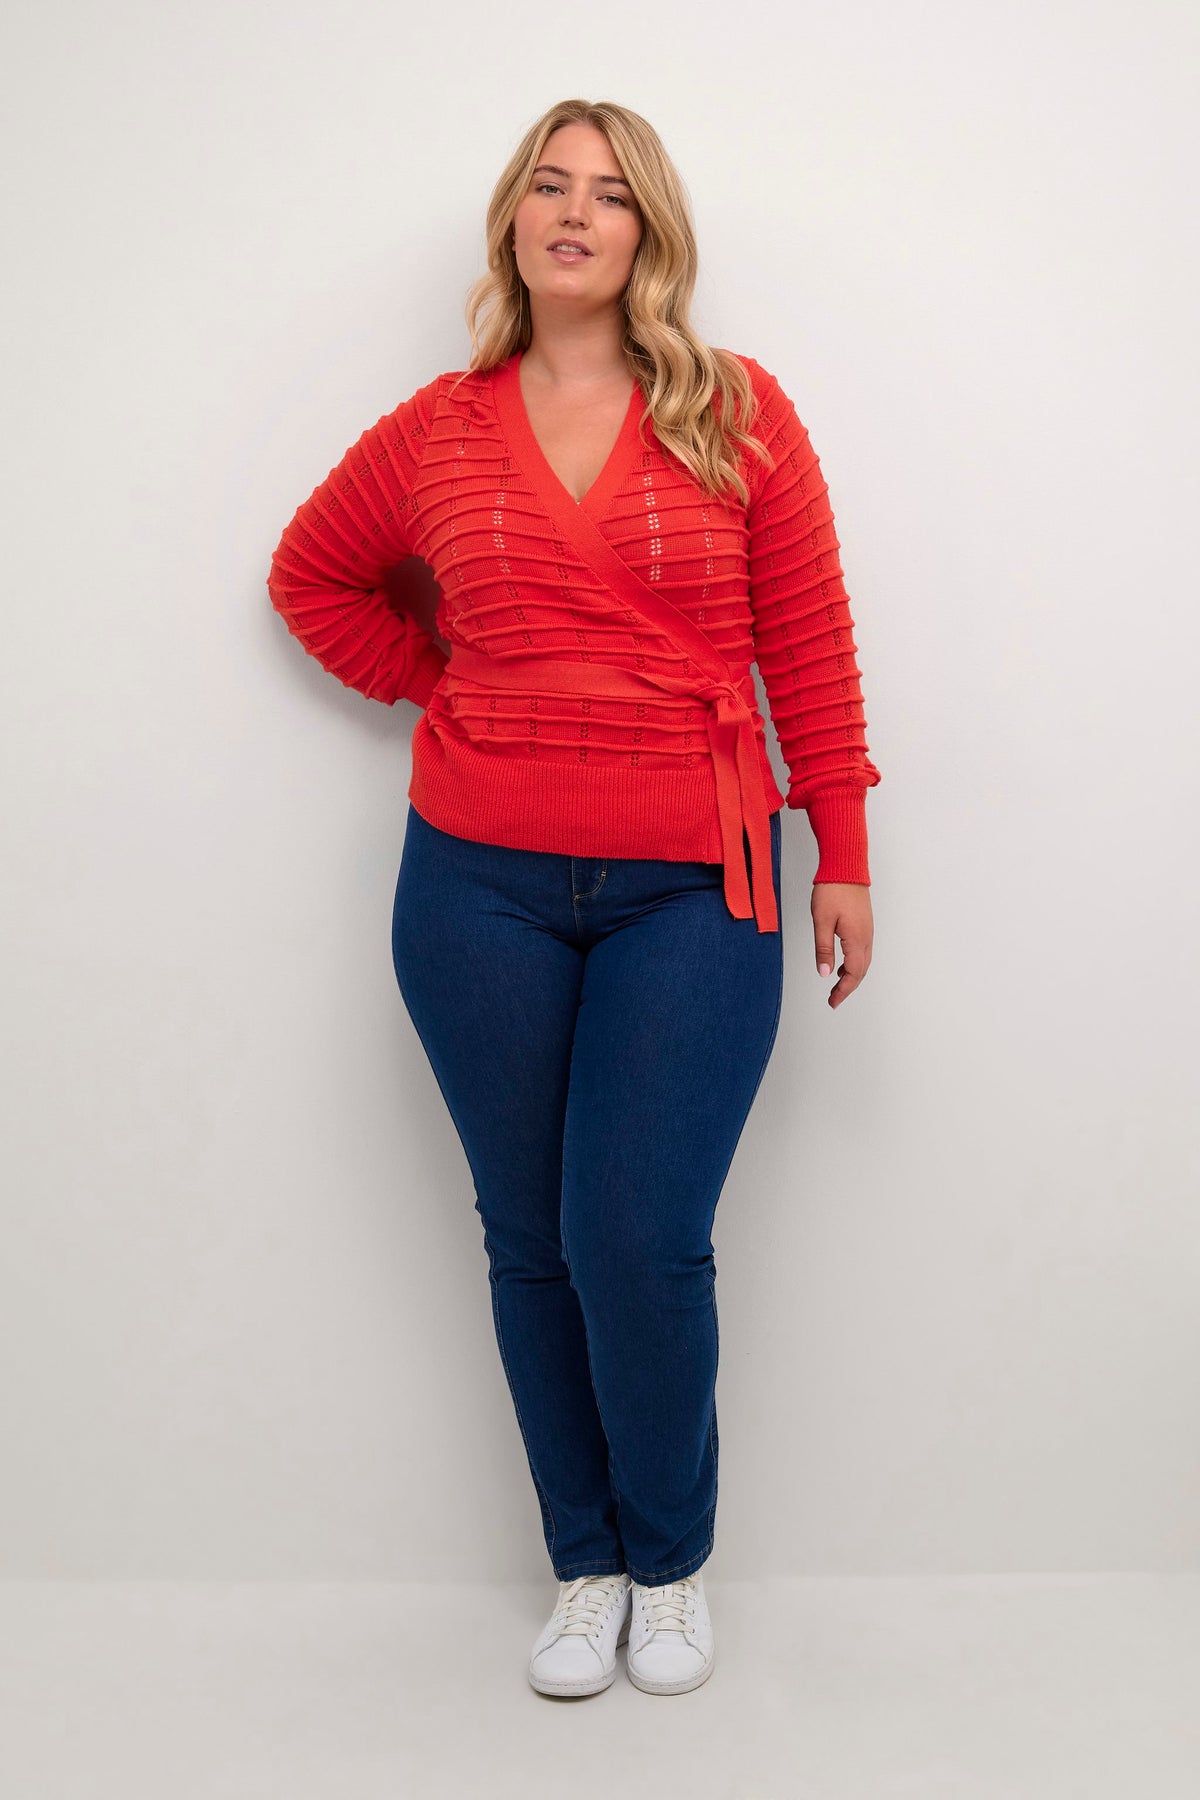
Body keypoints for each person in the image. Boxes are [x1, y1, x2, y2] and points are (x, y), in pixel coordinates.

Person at [266, 97, 881, 1700]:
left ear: (647, 233)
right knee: (531, 1237)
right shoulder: (435, 431)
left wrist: (845, 851)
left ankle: (669, 1568)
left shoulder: (737, 410)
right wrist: (453, 688)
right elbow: (311, 576)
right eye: (549, 186)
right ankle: (586, 1565)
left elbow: (807, 645)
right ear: (514, 222)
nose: (575, 213)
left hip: (700, 881)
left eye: (608, 195)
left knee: (639, 1237)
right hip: (478, 885)